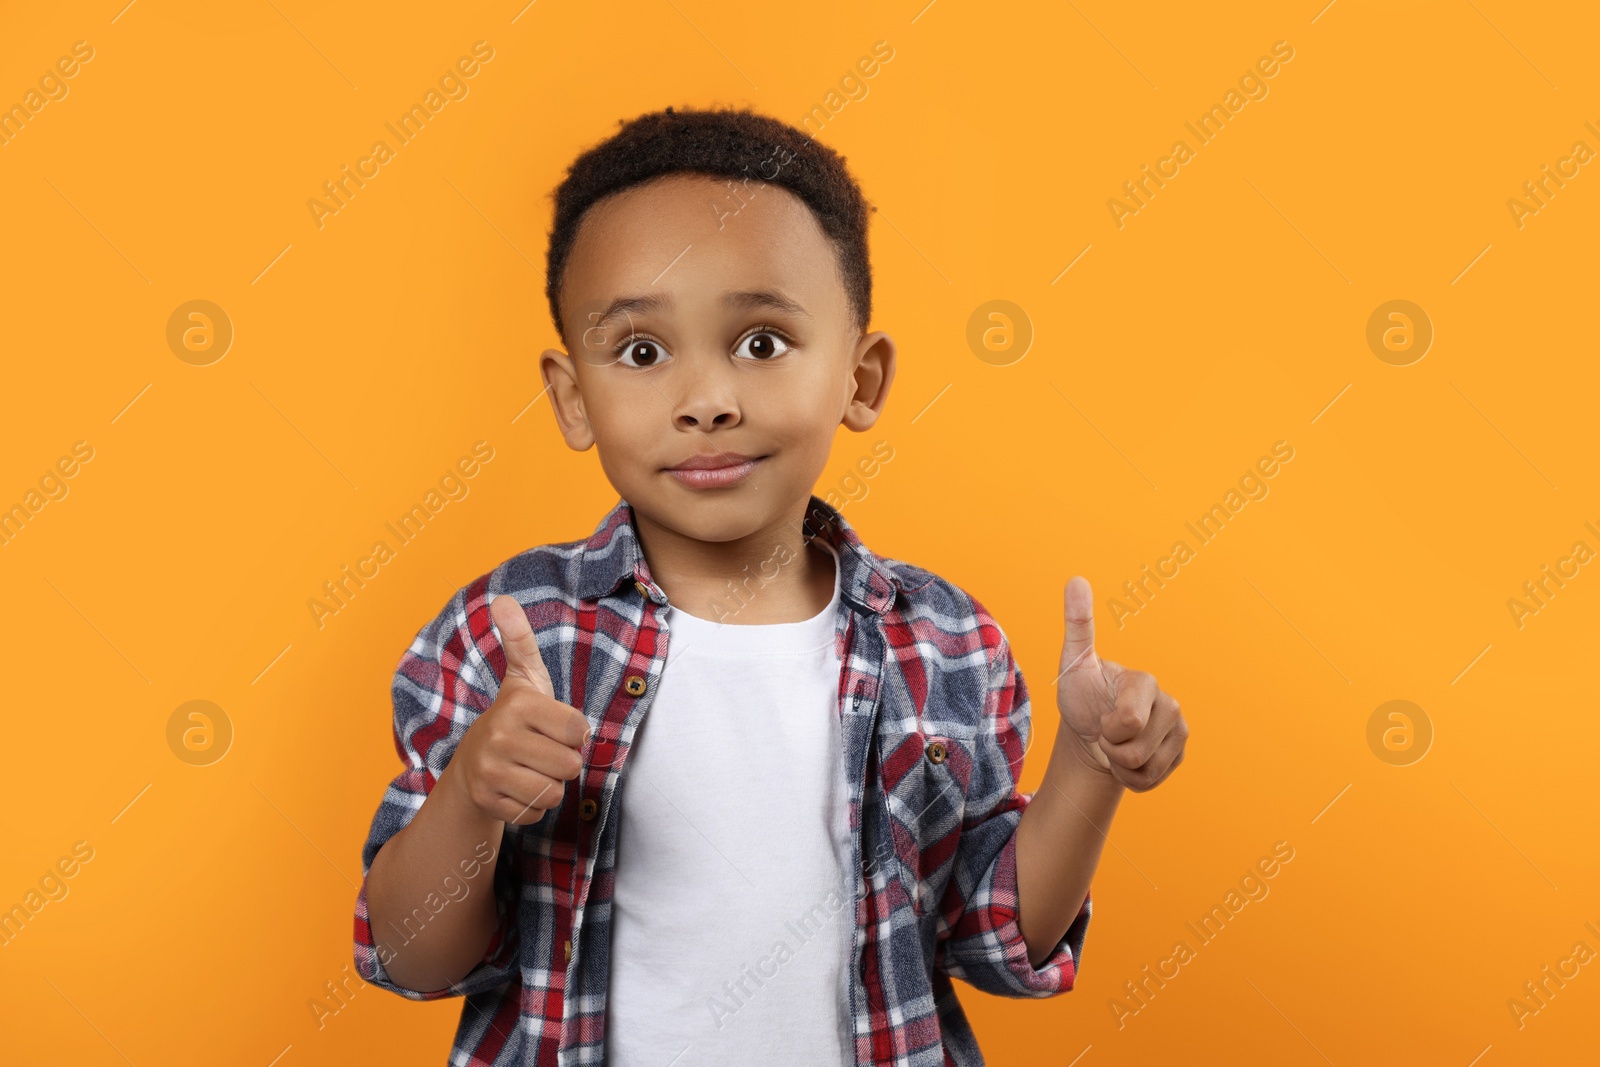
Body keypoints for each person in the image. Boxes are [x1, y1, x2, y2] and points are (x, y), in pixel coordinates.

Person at [352, 104, 1188, 1066]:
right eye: (641, 352)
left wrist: (1087, 770)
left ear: (860, 379)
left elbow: (996, 943)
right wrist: (472, 797)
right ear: (573, 396)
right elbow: (412, 959)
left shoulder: (948, 643)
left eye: (760, 342)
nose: (707, 400)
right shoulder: (513, 636)